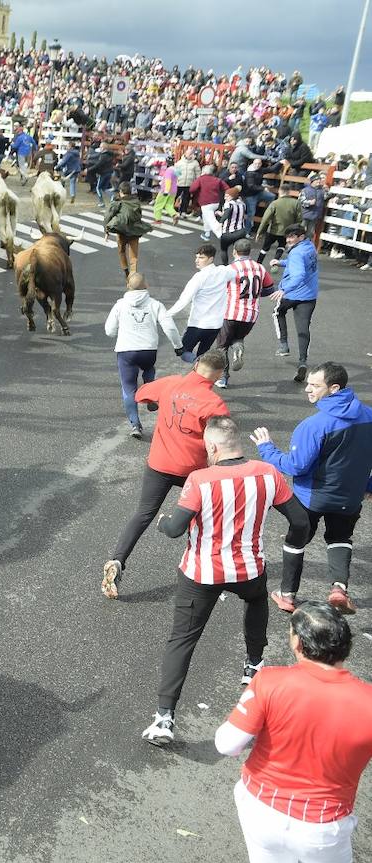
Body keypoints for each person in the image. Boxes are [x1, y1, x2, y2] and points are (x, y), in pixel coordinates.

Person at [141, 417, 310, 746]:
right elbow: (300, 520)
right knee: (257, 600)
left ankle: (164, 718)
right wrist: (291, 551)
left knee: (183, 640)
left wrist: (162, 523)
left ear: (213, 447)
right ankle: (252, 665)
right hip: (248, 569)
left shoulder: (200, 479)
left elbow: (176, 528)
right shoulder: (268, 473)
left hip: (202, 574)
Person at [215, 603, 372, 863]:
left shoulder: (270, 681)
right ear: (346, 646)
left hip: (260, 807)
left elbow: (226, 743)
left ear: (298, 644)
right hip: (324, 823)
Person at [102, 350, 230, 600]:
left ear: (196, 365)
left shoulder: (170, 383)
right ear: (218, 375)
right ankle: (207, 568)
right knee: (209, 516)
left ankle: (118, 561)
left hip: (159, 464)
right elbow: (221, 440)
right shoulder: (214, 403)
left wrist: (157, 401)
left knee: (143, 514)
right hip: (193, 471)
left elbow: (139, 395)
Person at [255, 363, 372, 615]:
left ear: (334, 388)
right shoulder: (369, 416)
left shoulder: (314, 425)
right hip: (349, 498)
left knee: (296, 541)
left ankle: (287, 596)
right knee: (340, 538)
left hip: (312, 498)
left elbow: (296, 466)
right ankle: (339, 589)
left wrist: (267, 449)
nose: (307, 389)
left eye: (314, 385)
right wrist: (368, 485)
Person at [104, 272, 183, 439]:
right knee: (149, 370)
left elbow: (109, 331)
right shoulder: (155, 304)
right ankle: (150, 394)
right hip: (148, 350)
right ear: (146, 285)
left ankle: (135, 425)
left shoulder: (120, 305)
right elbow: (169, 328)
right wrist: (178, 347)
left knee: (128, 388)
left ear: (127, 286)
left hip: (126, 351)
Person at [215, 239, 275, 389]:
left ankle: (223, 377)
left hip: (231, 312)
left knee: (221, 346)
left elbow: (219, 288)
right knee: (238, 337)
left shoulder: (231, 268)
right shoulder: (260, 268)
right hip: (251, 315)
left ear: (234, 251)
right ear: (250, 252)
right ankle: (238, 346)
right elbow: (269, 289)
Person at [167, 243, 236, 360]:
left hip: (197, 324)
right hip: (215, 326)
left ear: (211, 259)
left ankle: (198, 366)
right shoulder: (224, 272)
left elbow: (184, 300)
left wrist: (166, 315)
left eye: (201, 257)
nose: (197, 260)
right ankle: (201, 372)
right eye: (196, 257)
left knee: (183, 352)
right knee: (203, 355)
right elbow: (236, 271)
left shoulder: (199, 277)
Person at [271, 224, 319, 383]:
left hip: (292, 293)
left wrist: (285, 289)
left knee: (278, 312)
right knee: (303, 329)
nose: (288, 240)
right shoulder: (310, 247)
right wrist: (281, 263)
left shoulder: (297, 252)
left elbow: (299, 274)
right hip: (310, 295)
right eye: (287, 237)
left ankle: (283, 344)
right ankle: (303, 361)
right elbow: (300, 264)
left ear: (301, 237)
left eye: (292, 237)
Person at [103, 183, 150, 279]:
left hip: (122, 232)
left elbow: (107, 216)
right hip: (135, 232)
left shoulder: (117, 202)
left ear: (120, 192)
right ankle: (133, 275)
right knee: (133, 256)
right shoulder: (136, 202)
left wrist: (106, 231)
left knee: (121, 251)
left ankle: (126, 271)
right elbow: (139, 216)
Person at [192, 163, 228, 242]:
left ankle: (221, 236)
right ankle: (207, 234)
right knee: (206, 218)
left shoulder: (201, 179)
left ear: (203, 171)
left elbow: (192, 189)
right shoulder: (217, 179)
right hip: (215, 202)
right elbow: (226, 188)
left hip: (205, 202)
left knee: (211, 220)